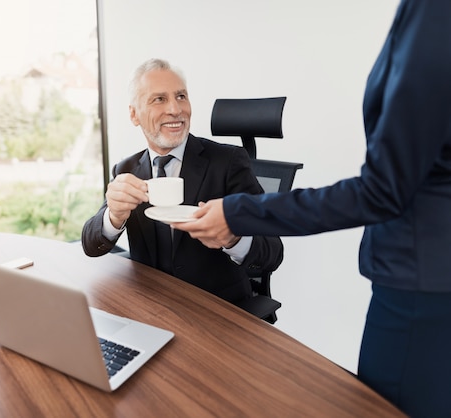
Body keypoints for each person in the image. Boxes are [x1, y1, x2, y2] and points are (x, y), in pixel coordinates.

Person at [173, 2, 451, 417]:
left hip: (421, 278)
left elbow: (382, 191)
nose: (172, 109)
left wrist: (238, 215)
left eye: (179, 95)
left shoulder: (436, 15)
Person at [81, 58, 283, 308]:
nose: (175, 109)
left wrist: (232, 239)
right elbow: (91, 246)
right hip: (152, 307)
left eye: (181, 96)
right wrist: (114, 216)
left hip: (215, 309)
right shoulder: (127, 170)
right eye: (159, 99)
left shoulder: (228, 162)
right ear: (134, 114)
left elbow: (272, 252)